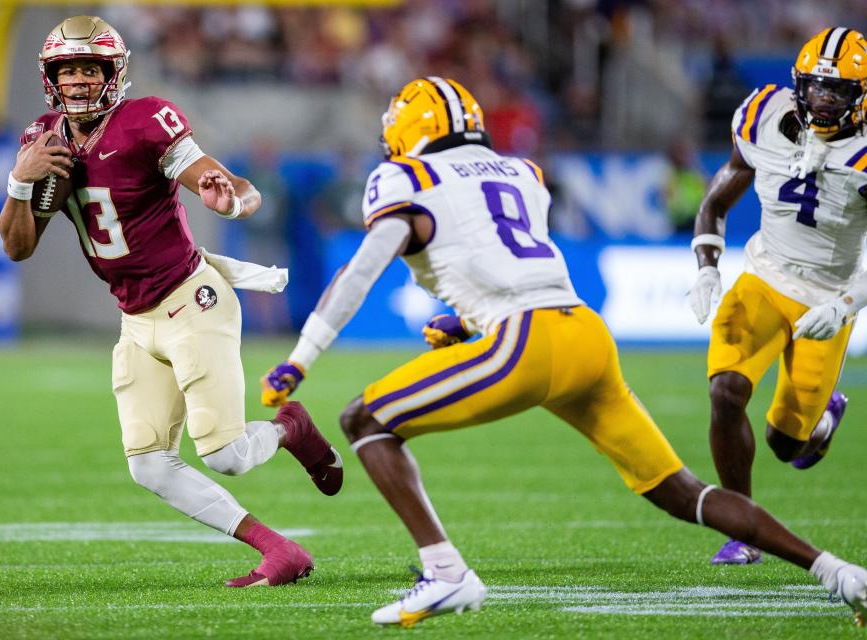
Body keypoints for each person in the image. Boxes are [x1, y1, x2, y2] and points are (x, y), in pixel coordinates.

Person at [261, 77, 867, 627]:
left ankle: (445, 574)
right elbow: (511, 264)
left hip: (528, 343)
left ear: (407, 130)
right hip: (583, 334)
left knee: (364, 419)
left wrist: (302, 356)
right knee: (682, 492)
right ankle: (838, 571)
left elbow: (362, 270)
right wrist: (469, 322)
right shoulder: (520, 172)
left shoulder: (404, 179)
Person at [0, 15, 343, 588]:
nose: (79, 81)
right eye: (69, 70)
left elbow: (237, 187)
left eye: (91, 68)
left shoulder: (145, 121)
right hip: (135, 319)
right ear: (50, 77)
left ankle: (290, 431)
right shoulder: (43, 139)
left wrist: (226, 198)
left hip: (192, 299)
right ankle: (277, 549)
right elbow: (16, 247)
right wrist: (19, 179)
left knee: (227, 454)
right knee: (149, 465)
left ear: (114, 72)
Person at [689, 27, 867, 566]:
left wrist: (846, 305)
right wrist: (706, 265)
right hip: (765, 274)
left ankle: (822, 419)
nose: (824, 99)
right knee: (724, 391)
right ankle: (741, 528)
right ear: (798, 84)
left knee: (786, 445)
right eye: (815, 87)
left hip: (828, 292)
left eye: (838, 92)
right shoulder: (763, 114)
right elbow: (721, 194)